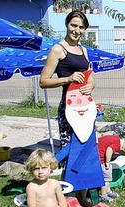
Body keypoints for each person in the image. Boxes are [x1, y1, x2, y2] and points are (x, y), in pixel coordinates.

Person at [39, 11, 94, 149]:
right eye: (73, 25)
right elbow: (43, 81)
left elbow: (90, 79)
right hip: (69, 106)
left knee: (86, 148)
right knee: (69, 150)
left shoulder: (83, 50)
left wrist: (91, 86)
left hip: (86, 105)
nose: (77, 30)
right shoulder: (58, 49)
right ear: (67, 24)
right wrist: (68, 79)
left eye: (81, 27)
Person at [97, 135, 125, 202]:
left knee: (108, 176)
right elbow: (109, 149)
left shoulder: (116, 138)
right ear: (123, 150)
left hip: (95, 154)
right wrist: (107, 162)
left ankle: (108, 191)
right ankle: (103, 195)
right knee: (106, 179)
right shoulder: (117, 145)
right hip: (100, 161)